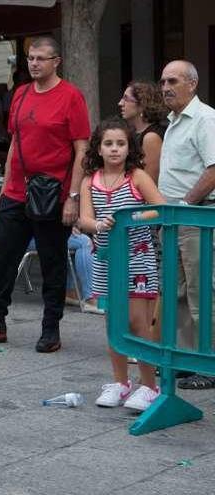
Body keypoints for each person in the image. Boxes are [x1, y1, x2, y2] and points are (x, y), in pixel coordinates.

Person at [0, 36, 90, 353]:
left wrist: (72, 196)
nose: (33, 63)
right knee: (4, 258)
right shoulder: (21, 93)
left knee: (51, 262)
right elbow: (15, 143)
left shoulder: (70, 96)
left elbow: (81, 149)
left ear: (56, 61)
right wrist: (4, 188)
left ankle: (50, 329)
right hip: (16, 190)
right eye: (30, 58)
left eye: (41, 58)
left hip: (51, 192)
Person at [76, 118, 165, 411]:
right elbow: (84, 219)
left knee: (139, 324)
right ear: (98, 149)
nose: (114, 149)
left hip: (138, 260)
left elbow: (159, 209)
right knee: (114, 323)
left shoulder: (137, 176)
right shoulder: (90, 180)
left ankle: (149, 386)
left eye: (121, 144)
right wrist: (99, 224)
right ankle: (120, 381)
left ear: (130, 148)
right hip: (107, 261)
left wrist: (131, 219)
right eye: (108, 144)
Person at [158, 60, 215, 389]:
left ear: (192, 84)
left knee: (200, 290)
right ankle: (186, 357)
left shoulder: (205, 119)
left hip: (195, 217)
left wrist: (186, 204)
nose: (165, 87)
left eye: (173, 81)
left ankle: (208, 362)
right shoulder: (174, 121)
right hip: (175, 219)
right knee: (177, 292)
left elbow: (213, 169)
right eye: (163, 81)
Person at [119, 81, 168, 183]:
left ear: (142, 105)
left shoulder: (151, 137)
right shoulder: (131, 131)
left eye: (126, 99)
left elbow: (150, 181)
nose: (120, 103)